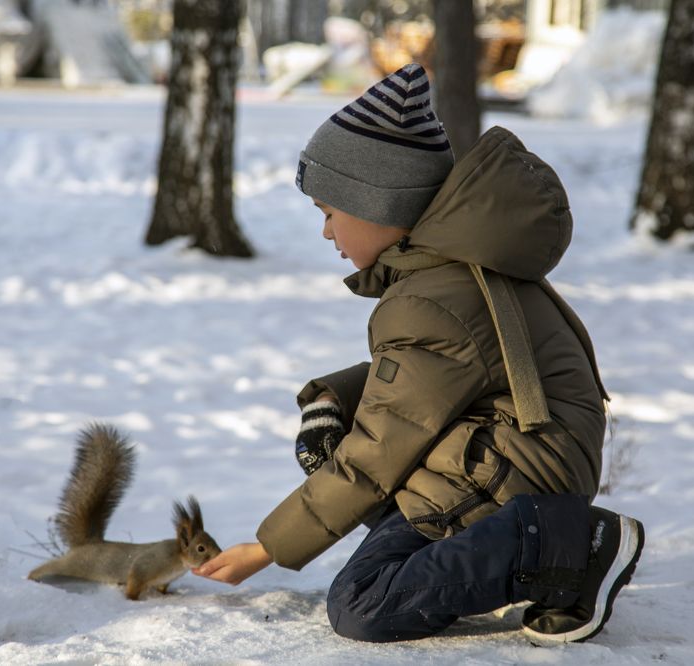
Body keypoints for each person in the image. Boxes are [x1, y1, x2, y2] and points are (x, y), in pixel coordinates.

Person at [194, 63, 644, 645]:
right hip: (509, 455)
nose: (327, 234)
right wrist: (338, 397)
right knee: (356, 483)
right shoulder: (445, 273)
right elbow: (441, 377)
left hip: (517, 473)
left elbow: (384, 443)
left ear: (380, 205)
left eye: (331, 214)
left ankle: (571, 550)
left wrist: (269, 546)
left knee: (364, 601)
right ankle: (526, 549)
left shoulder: (433, 298)